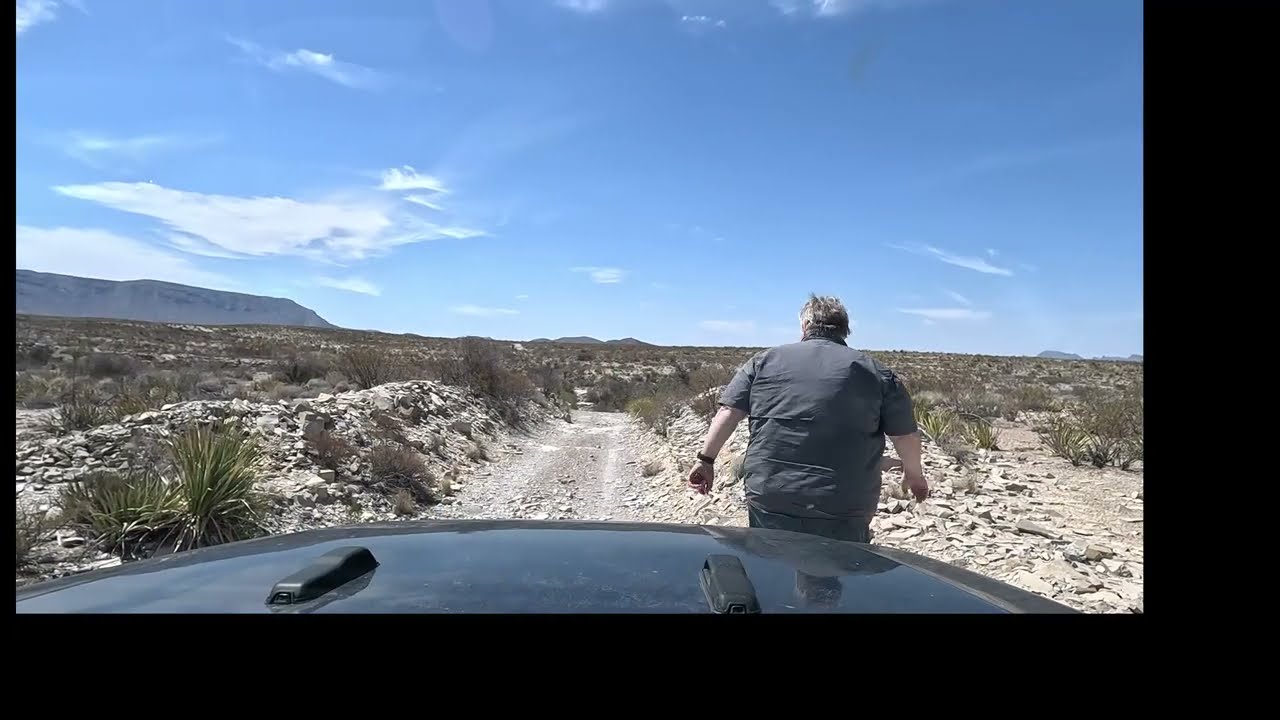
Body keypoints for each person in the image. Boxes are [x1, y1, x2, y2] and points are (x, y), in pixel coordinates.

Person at [687, 294, 928, 544]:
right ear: (845, 330)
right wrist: (914, 475)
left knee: (773, 565)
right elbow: (905, 435)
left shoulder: (763, 361)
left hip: (771, 494)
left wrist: (706, 461)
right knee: (836, 570)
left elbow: (728, 412)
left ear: (805, 326)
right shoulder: (877, 372)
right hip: (843, 502)